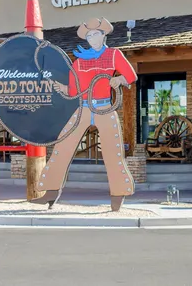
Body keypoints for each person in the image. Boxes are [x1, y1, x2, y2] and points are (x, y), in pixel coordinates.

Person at [31, 18, 137, 210]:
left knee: (113, 151)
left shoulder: (114, 55)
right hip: (84, 108)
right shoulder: (79, 61)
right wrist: (62, 88)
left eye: (96, 34)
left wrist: (119, 79)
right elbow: (74, 90)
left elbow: (131, 75)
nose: (93, 38)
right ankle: (50, 192)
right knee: (62, 147)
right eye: (89, 35)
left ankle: (118, 196)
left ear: (103, 35)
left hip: (105, 108)